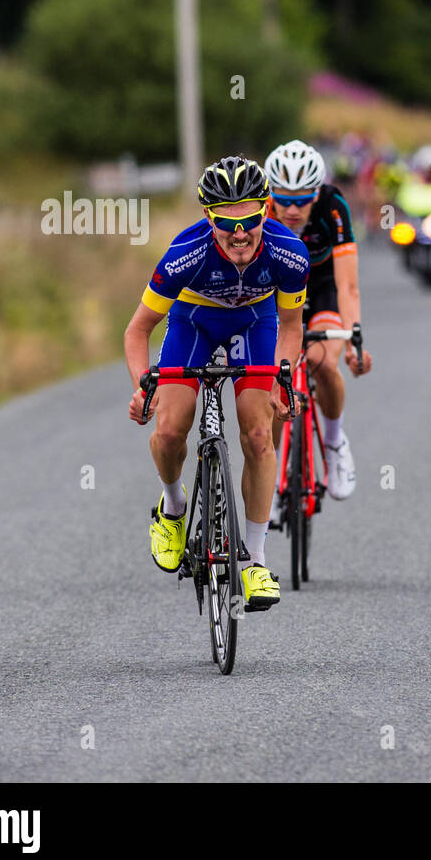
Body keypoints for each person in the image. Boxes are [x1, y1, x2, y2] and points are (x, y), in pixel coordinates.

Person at [125, 155, 310, 610]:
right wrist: (142, 385)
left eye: (250, 219)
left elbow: (290, 326)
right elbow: (137, 331)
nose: (241, 233)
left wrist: (280, 381)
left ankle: (255, 562)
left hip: (255, 324)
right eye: (228, 224)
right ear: (209, 217)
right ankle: (172, 508)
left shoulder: (289, 254)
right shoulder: (185, 254)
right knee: (170, 429)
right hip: (193, 324)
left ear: (265, 209)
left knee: (259, 432)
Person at [263, 139, 373, 504]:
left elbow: (348, 284)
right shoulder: (260, 211)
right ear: (271, 193)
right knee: (274, 378)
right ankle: (268, 465)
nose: (292, 209)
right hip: (276, 293)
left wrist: (355, 340)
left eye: (302, 199)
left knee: (322, 362)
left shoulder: (333, 206)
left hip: (323, 287)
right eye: (284, 198)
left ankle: (334, 442)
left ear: (317, 192)